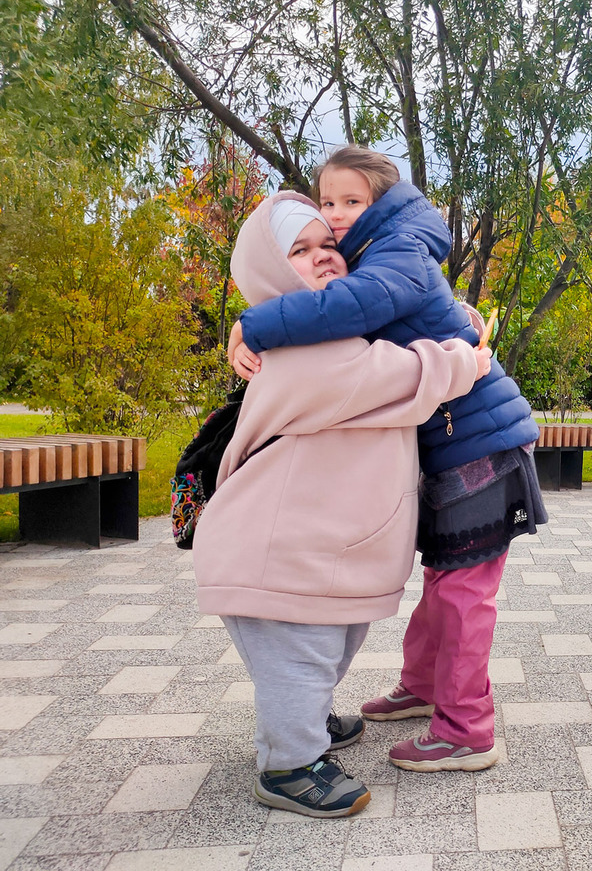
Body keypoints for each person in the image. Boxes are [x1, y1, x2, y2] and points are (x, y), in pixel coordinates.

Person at [226, 146, 546, 774]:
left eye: (351, 202)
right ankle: (425, 686)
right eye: (327, 202)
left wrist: (253, 324)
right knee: (445, 580)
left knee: (463, 591)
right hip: (454, 441)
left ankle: (466, 729)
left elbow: (353, 310)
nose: (337, 215)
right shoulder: (381, 252)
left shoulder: (397, 252)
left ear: (383, 201)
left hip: (478, 442)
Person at [193, 191, 487, 817]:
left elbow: (405, 314)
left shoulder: (330, 333)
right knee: (299, 654)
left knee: (330, 642)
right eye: (300, 251)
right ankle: (288, 764)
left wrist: (449, 309)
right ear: (268, 269)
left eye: (329, 244)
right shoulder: (305, 351)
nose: (324, 258)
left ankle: (308, 720)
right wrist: (468, 357)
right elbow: (407, 377)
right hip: (277, 551)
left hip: (314, 549)